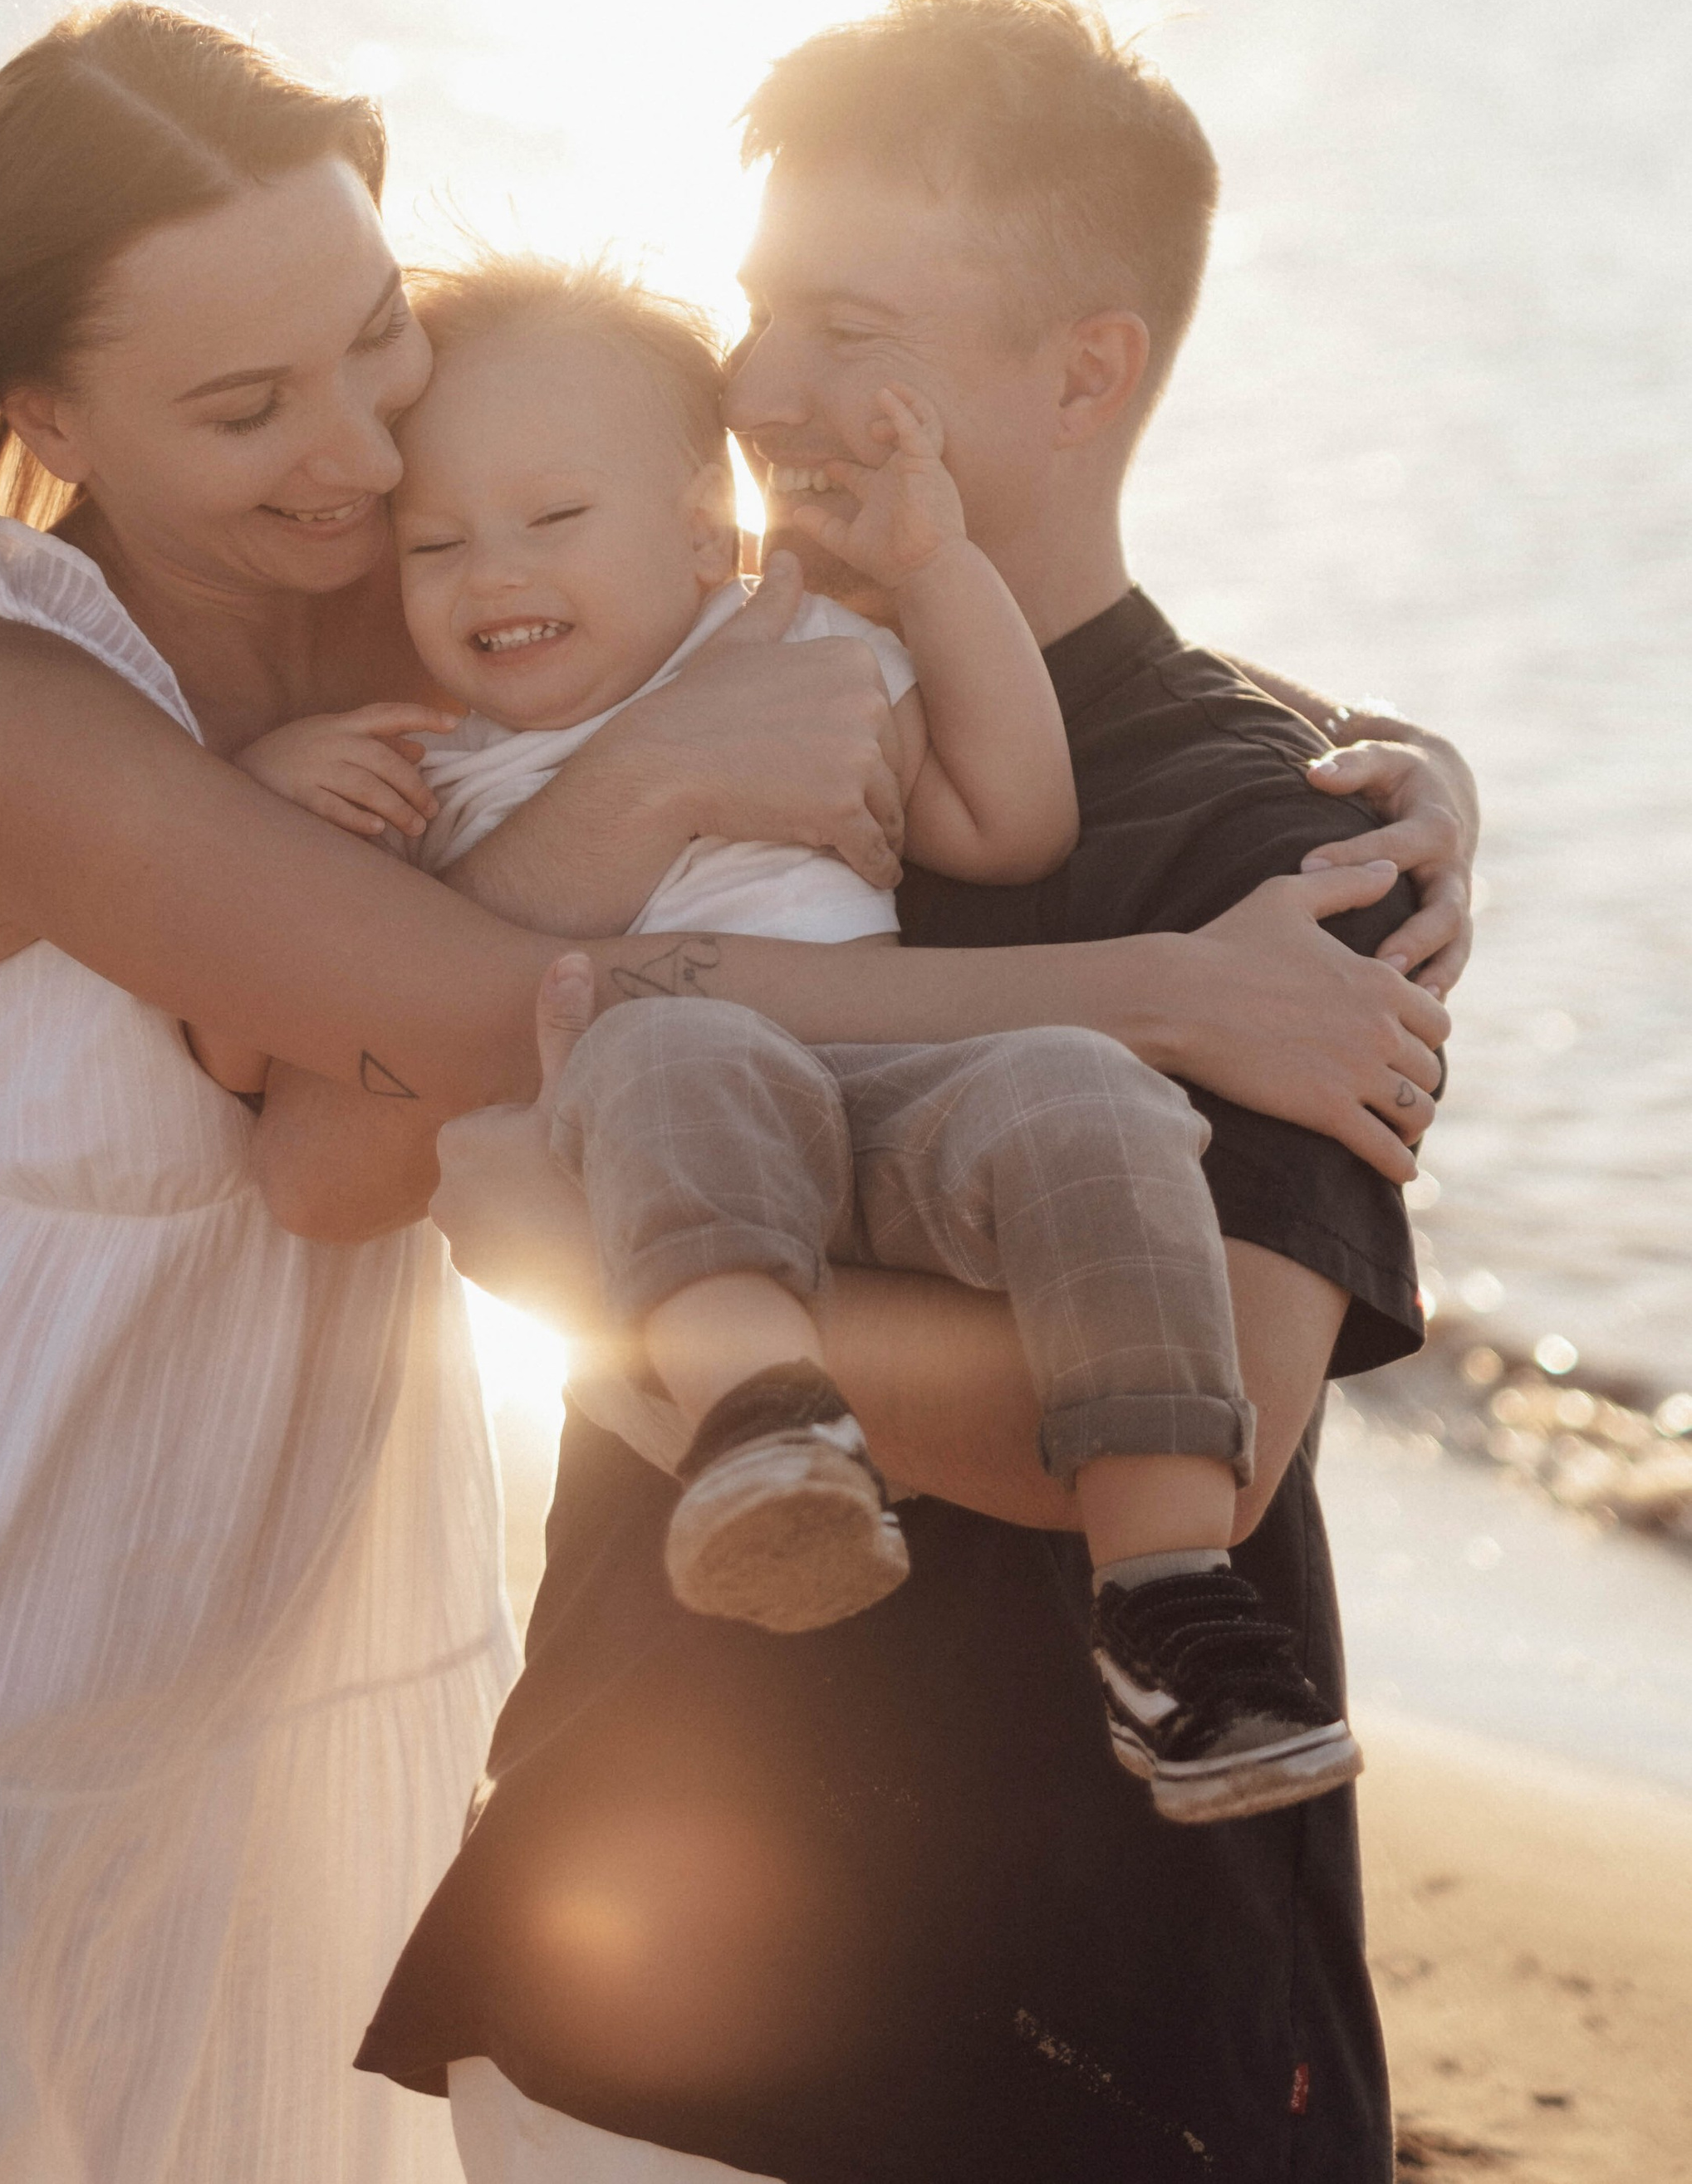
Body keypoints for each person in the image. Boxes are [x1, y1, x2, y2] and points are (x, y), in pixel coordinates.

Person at [0, 0, 1449, 2184]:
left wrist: (1416, 775)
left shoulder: (395, 585)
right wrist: (1137, 984)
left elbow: (732, 603)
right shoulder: (5, 691)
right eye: (250, 403)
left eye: (377, 341)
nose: (366, 461)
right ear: (50, 406)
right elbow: (443, 1047)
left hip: (241, 1695)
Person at [361, 0, 1477, 2182]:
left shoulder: (1277, 846)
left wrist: (612, 1309)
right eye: (758, 304)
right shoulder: (642, 651)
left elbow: (1215, 1439)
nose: (759, 385)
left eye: (844, 324)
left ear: (1086, 370)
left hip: (1081, 2014)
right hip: (627, 1974)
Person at [208, 250, 1362, 1822]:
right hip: (675, 1121)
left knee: (1088, 1091)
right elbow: (261, 1039)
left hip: (901, 1113)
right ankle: (771, 1441)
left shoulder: (810, 645)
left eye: (551, 522)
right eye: (437, 542)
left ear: (699, 520)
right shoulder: (437, 764)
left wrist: (939, 570)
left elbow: (1010, 824)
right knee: (671, 1044)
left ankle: (1173, 1604)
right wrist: (265, 795)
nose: (492, 575)